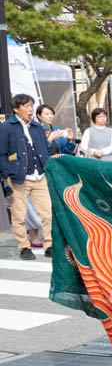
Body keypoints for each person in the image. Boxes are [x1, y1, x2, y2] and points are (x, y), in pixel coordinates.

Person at [0, 94, 53, 260]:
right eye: (27, 106)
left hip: (40, 176)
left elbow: (45, 150)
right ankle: (24, 247)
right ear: (16, 109)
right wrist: (7, 173)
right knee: (19, 215)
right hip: (18, 177)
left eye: (32, 105)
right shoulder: (7, 127)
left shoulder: (37, 127)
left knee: (48, 213)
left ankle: (49, 245)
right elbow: (1, 153)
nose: (31, 109)